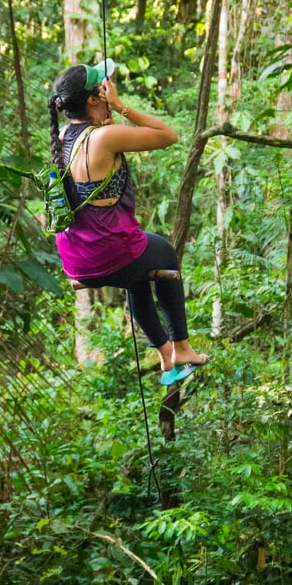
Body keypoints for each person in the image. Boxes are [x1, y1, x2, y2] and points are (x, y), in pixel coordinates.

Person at [48, 59, 208, 385]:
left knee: (137, 275)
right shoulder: (103, 138)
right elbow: (168, 135)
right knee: (162, 252)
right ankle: (183, 346)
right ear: (95, 98)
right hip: (107, 251)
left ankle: (165, 355)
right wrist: (121, 106)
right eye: (103, 87)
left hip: (77, 258)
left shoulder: (64, 135)